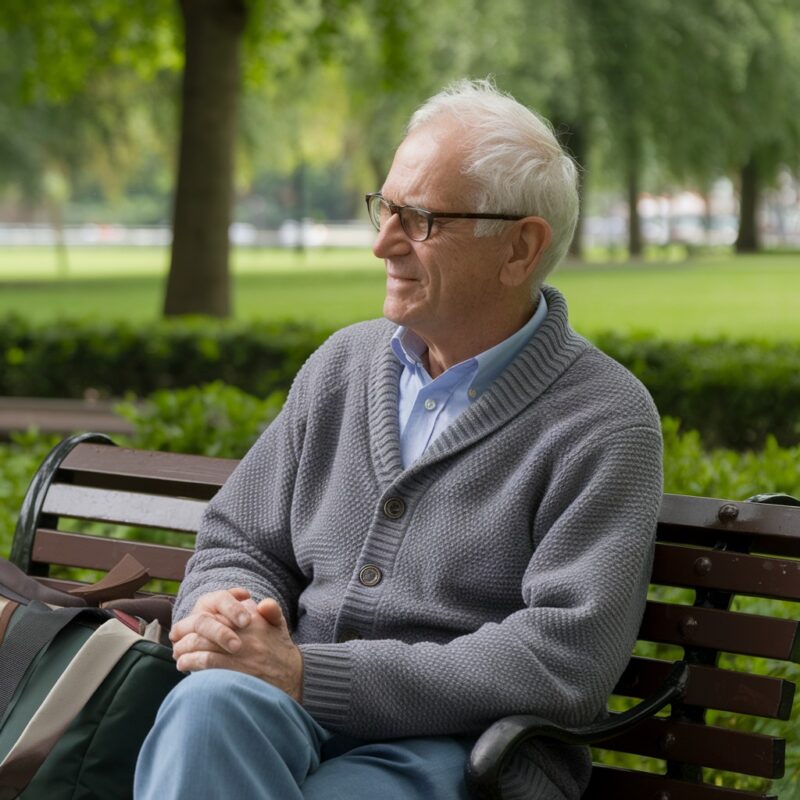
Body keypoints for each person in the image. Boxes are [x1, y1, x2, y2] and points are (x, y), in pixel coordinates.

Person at [134, 79, 663, 800]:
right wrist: (230, 617)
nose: (382, 242)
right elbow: (241, 539)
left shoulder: (604, 420)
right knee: (207, 706)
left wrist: (307, 673)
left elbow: (563, 657)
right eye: (385, 208)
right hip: (288, 707)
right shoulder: (343, 365)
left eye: (418, 220)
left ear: (519, 247)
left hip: (468, 751)